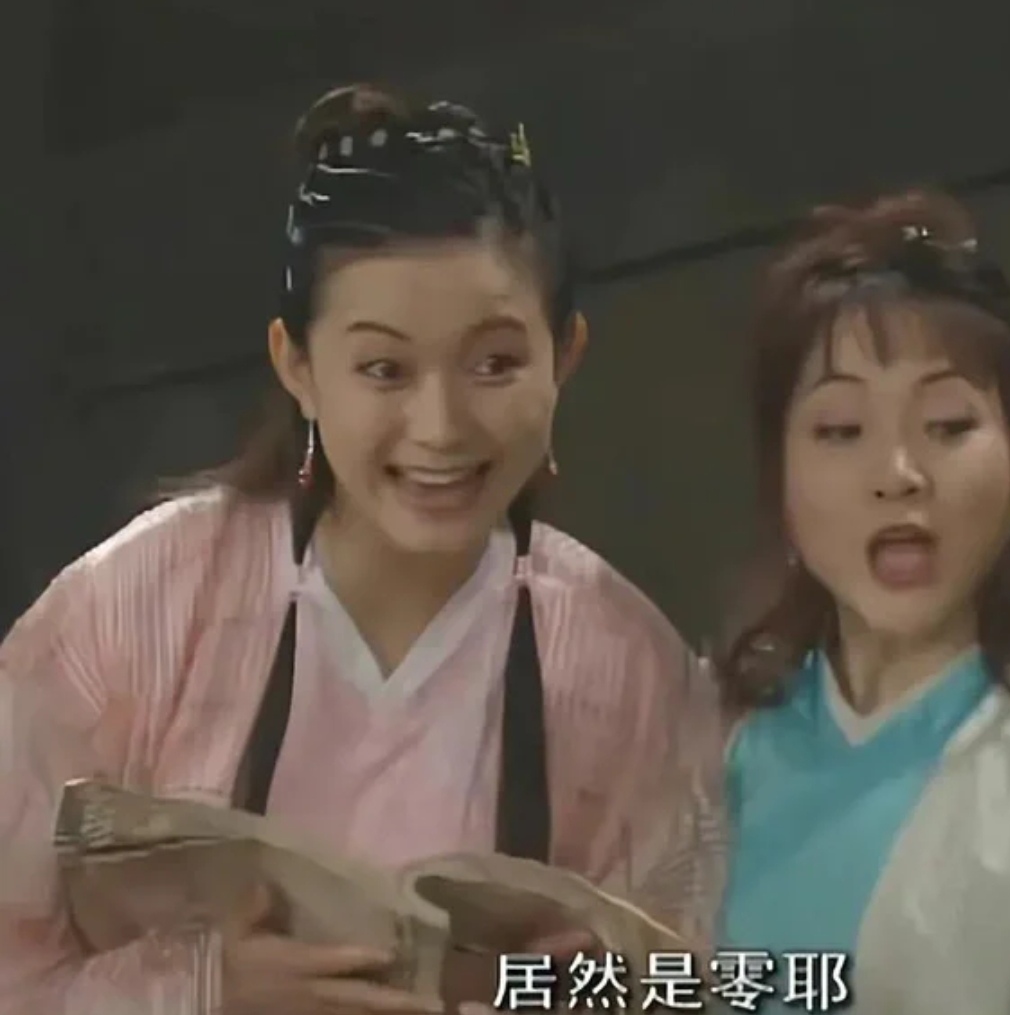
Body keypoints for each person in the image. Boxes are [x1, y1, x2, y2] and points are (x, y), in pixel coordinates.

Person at [0, 84, 721, 1015]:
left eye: (495, 363)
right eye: (384, 369)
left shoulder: (627, 667)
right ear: (297, 367)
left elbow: (701, 970)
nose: (440, 426)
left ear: (565, 357)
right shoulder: (141, 605)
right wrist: (197, 990)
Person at [712, 189, 1010, 1014]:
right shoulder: (708, 744)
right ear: (780, 480)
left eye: (948, 425)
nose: (898, 474)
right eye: (842, 430)